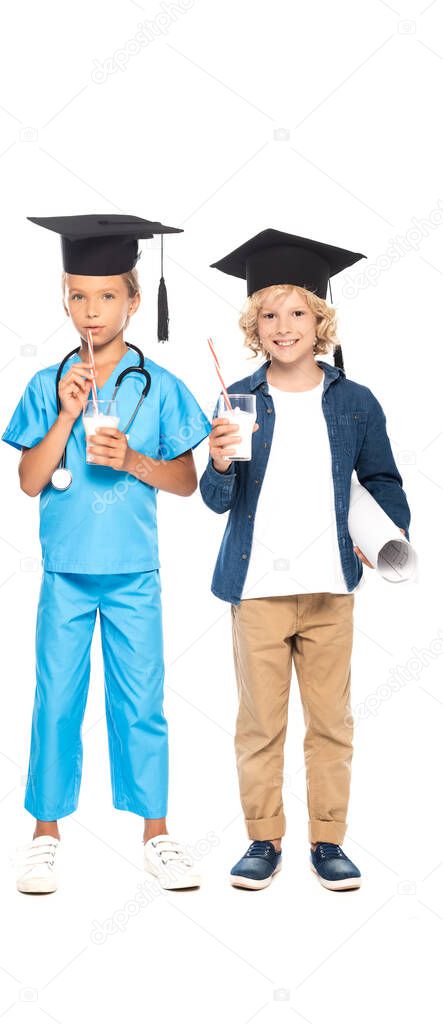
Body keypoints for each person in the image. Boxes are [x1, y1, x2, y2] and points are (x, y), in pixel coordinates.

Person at [3, 214, 211, 894]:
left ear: (132, 301)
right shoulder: (45, 384)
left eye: (105, 296)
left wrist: (134, 461)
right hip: (65, 575)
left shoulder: (161, 387)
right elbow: (31, 481)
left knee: (141, 703)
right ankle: (44, 832)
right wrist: (64, 416)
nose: (90, 311)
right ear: (65, 300)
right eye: (77, 296)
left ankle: (156, 834)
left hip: (132, 575)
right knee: (56, 700)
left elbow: (185, 483)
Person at [201, 228, 411, 890]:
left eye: (297, 312)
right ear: (251, 324)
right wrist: (217, 460)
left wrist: (380, 533)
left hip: (329, 590)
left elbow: (382, 479)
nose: (282, 326)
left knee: (330, 724)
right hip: (256, 590)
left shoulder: (352, 400)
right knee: (259, 725)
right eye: (268, 313)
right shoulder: (237, 399)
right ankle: (263, 838)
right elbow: (214, 499)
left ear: (319, 320)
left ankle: (328, 840)